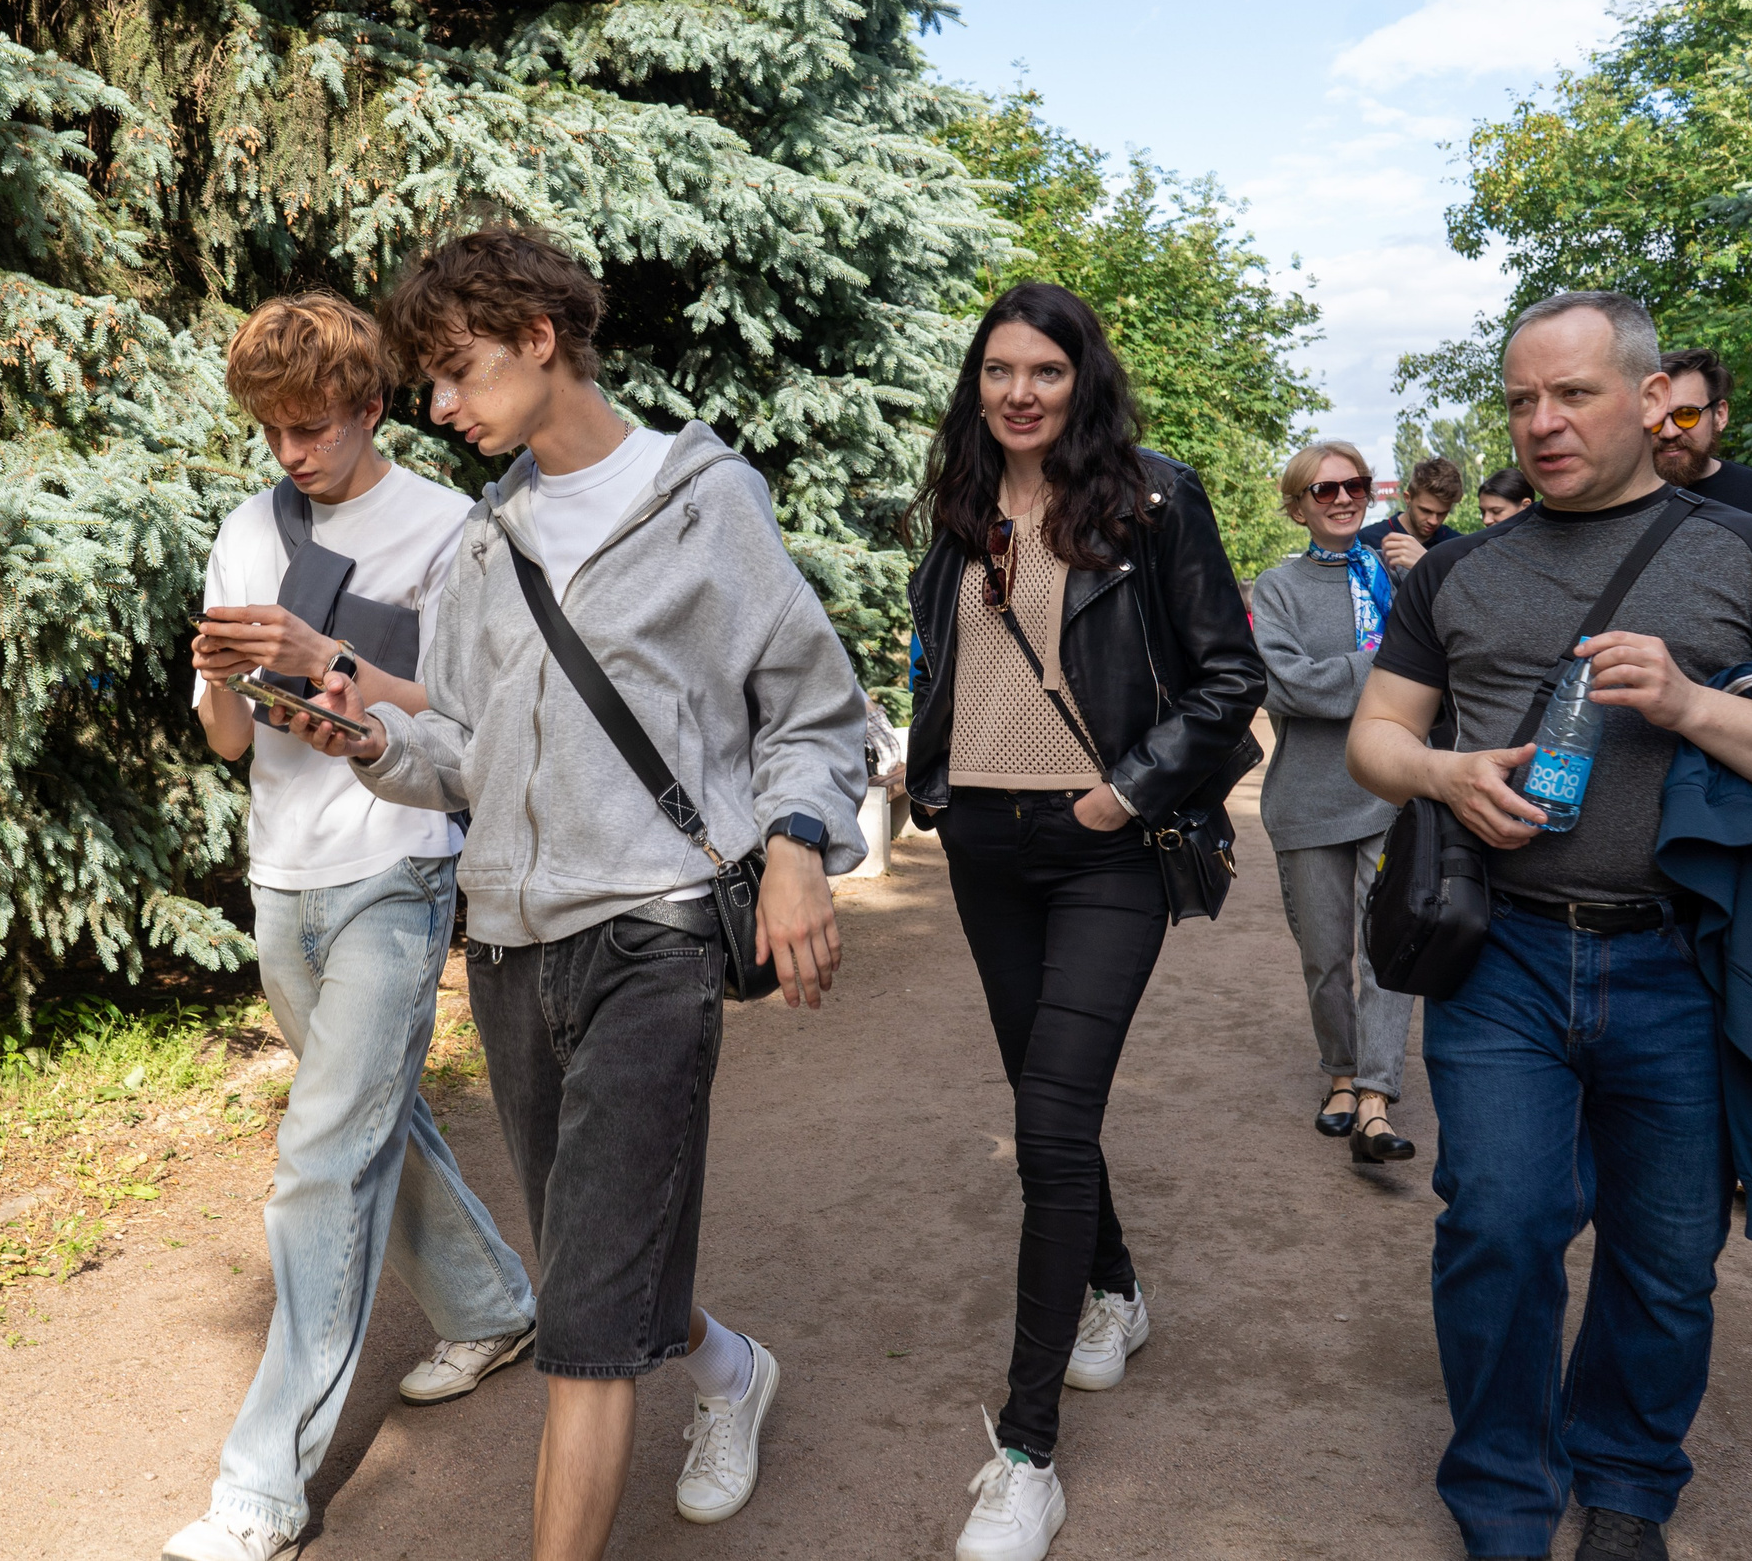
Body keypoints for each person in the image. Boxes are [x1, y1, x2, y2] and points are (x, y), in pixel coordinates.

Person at [290, 227, 867, 1561]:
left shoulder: (699, 497)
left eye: (456, 370)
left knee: (583, 1331)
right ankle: (731, 1370)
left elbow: (815, 710)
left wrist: (793, 849)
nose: (441, 405)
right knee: (598, 1267)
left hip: (653, 933)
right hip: (507, 950)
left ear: (540, 336)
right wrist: (375, 740)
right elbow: (472, 755)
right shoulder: (483, 552)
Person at [1346, 290, 1752, 1561]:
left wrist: (1691, 703)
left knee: (1667, 1250)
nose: (1541, 422)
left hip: (1688, 955)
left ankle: (1627, 1479)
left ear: (1649, 401)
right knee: (1500, 1225)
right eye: (1521, 399)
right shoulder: (1462, 568)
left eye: (1571, 394)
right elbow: (1375, 735)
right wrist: (1443, 776)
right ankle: (1503, 1497)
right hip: (1502, 952)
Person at [164, 295, 541, 1561]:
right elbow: (228, 742)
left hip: (398, 865)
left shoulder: (447, 530)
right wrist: (226, 674)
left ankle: (260, 1492)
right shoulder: (244, 529)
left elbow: (480, 711)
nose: (290, 455)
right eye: (270, 433)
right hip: (283, 875)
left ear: (372, 407)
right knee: (376, 1121)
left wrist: (330, 656)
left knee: (322, 1159)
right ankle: (493, 1305)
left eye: (312, 428)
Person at [902, 282, 1264, 1561]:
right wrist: (929, 769)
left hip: (1103, 845)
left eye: (1042, 371)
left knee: (1049, 1126)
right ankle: (1113, 1288)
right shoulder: (955, 507)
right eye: (997, 370)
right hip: (984, 849)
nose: (1017, 392)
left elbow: (1230, 675)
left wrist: (1126, 793)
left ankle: (1024, 1450)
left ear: (1081, 379)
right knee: (1041, 1096)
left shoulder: (1150, 497)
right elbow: (942, 661)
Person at [1250, 443, 1414, 1164]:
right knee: (1325, 957)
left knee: (1388, 951)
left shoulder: (1401, 576)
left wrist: (1414, 591)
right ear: (1297, 505)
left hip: (1389, 791)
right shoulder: (1275, 588)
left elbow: (1439, 668)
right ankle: (1340, 1074)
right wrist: (1386, 666)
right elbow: (1287, 686)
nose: (1343, 497)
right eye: (1325, 489)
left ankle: (1376, 1095)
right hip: (1307, 799)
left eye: (1355, 485)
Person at [1650, 347, 1752, 535]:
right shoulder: (1615, 499)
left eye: (1687, 415)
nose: (1669, 432)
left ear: (1720, 415)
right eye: (1656, 418)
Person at [1358, 455, 1465, 569]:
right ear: (1408, 498)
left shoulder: (1459, 546)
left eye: (1442, 513)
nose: (1433, 521)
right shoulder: (1367, 539)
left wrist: (1425, 563)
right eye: (1425, 511)